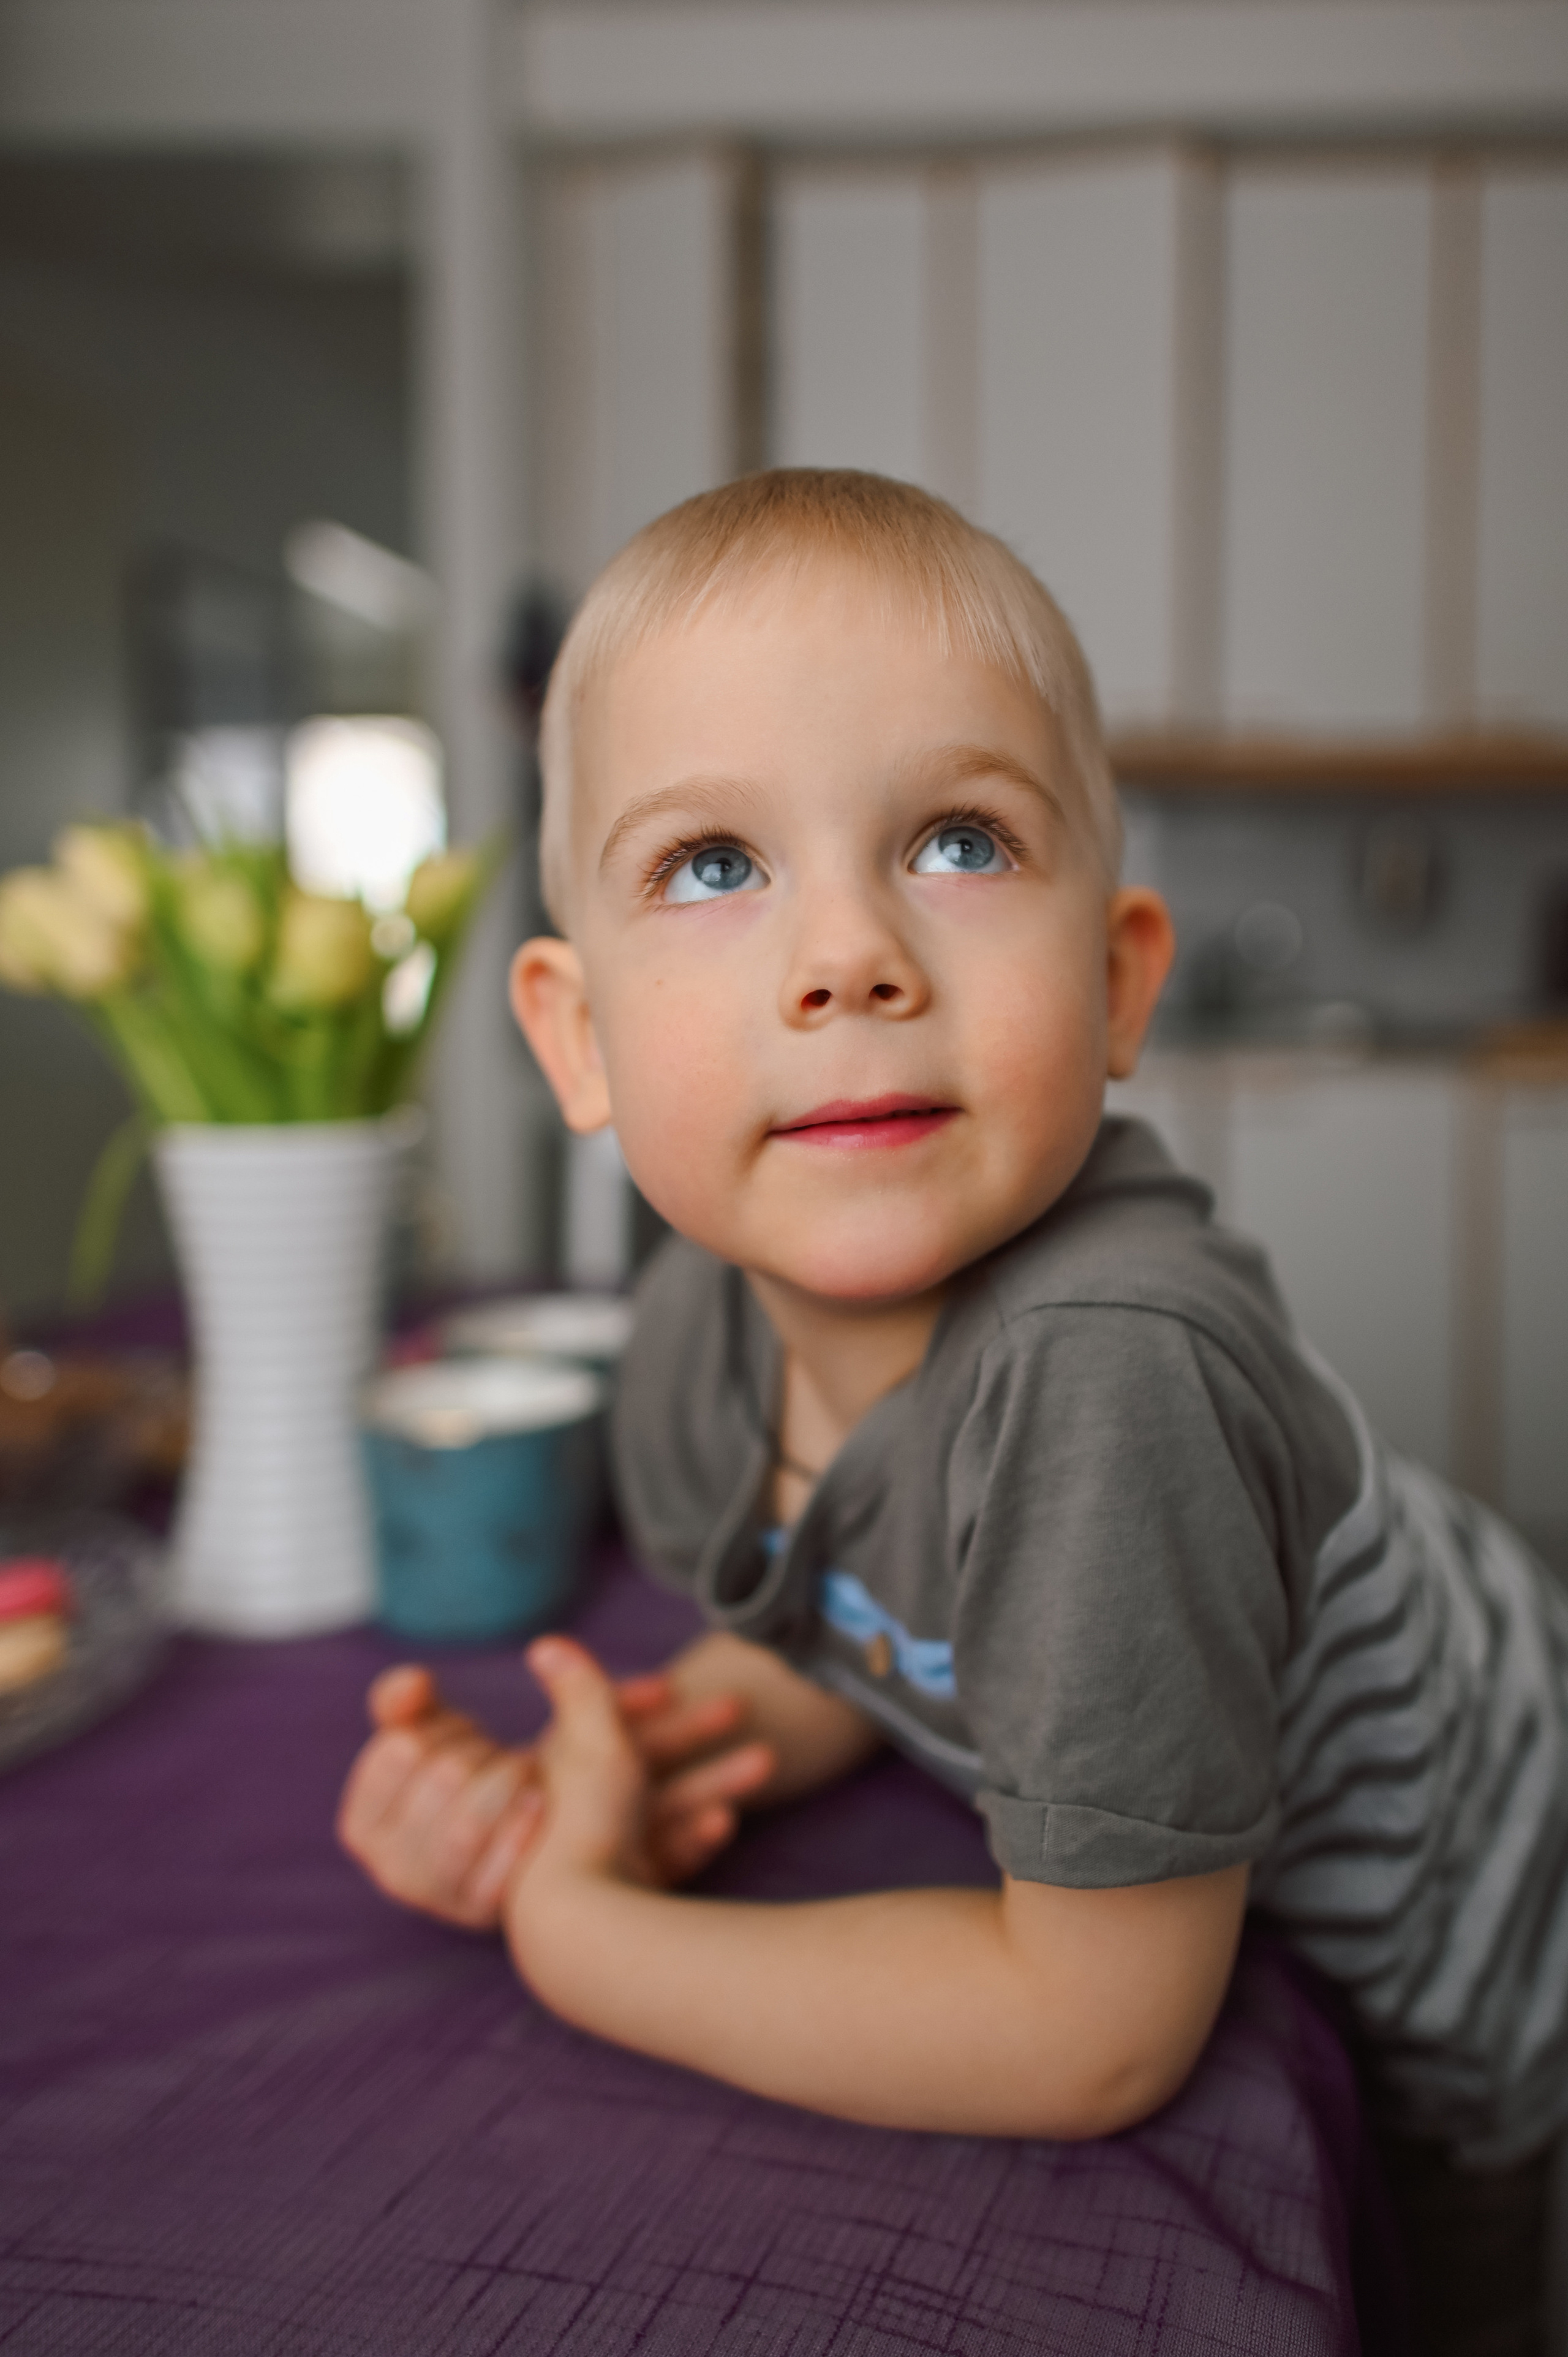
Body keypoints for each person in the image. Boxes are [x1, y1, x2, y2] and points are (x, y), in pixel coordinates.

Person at [338, 471, 1568, 2347]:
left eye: (960, 842)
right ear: (579, 1040)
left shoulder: (1113, 1377)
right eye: (715, 865)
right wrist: (612, 1781)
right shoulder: (693, 1339)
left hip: (1490, 1977)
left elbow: (1092, 2033)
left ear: (1117, 980)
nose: (850, 955)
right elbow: (869, 1635)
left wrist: (582, 1934)